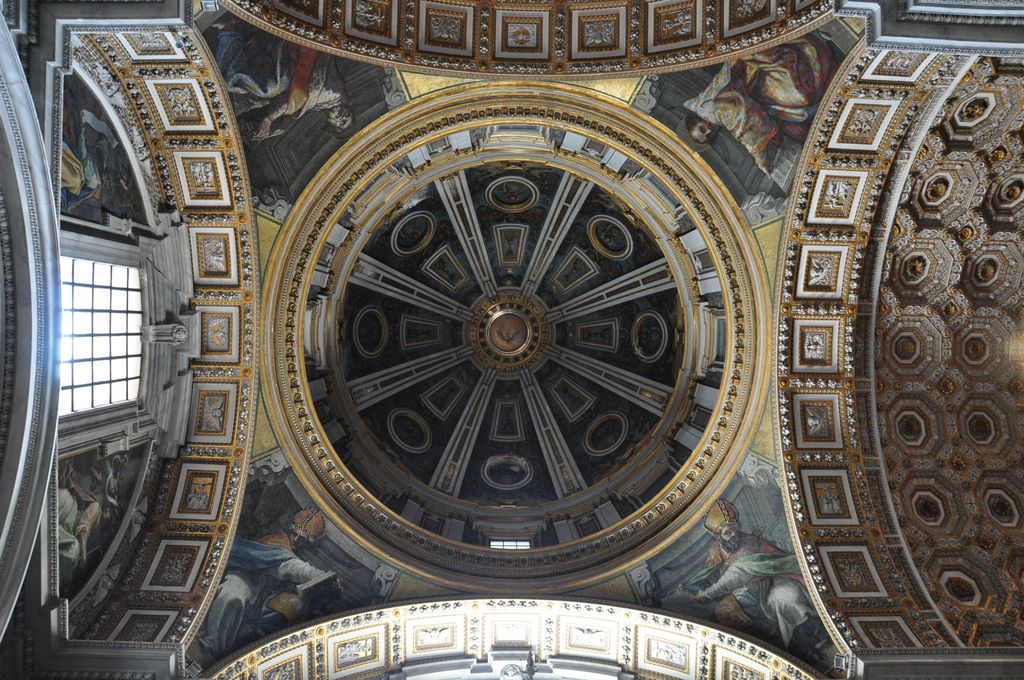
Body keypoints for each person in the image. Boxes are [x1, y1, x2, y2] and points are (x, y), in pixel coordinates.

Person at [660, 499, 829, 662]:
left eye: (734, 529)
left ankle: (811, 641)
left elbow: (771, 560)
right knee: (723, 613)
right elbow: (707, 576)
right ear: (718, 537)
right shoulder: (715, 553)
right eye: (727, 532)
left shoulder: (751, 542)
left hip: (773, 581)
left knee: (785, 599)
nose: (733, 534)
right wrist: (694, 588)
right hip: (743, 592)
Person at [682, 34, 836, 184]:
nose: (709, 132)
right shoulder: (707, 105)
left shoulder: (714, 110)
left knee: (798, 95)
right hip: (755, 80)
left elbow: (746, 122)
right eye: (708, 137)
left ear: (697, 120)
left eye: (702, 129)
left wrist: (761, 160)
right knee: (793, 126)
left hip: (754, 68)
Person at [195, 508, 340, 661]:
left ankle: (231, 656)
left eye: (302, 539)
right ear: (290, 529)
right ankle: (210, 645)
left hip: (264, 595)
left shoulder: (288, 554)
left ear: (307, 545)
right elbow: (294, 567)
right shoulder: (278, 545)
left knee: (285, 615)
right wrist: (323, 576)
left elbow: (294, 571)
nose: (296, 540)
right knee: (233, 595)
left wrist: (324, 580)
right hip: (245, 577)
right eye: (295, 534)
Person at [210, 17, 354, 141]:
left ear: (330, 123)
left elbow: (294, 97)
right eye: (347, 116)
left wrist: (264, 104)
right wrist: (268, 119)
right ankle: (228, 31)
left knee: (245, 90)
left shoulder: (320, 105)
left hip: (295, 68)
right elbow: (301, 93)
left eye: (341, 123)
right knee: (266, 88)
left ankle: (229, 39)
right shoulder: (336, 92)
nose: (343, 117)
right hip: (300, 55)